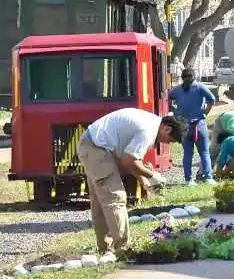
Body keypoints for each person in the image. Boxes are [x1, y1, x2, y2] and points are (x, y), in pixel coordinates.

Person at [77, 108, 185, 263]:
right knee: (115, 198)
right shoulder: (147, 131)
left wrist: (144, 181)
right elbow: (129, 160)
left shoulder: (151, 123)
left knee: (100, 202)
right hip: (97, 148)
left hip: (93, 145)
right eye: (170, 140)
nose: (167, 143)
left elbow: (130, 159)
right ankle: (123, 249)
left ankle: (105, 250)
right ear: (167, 128)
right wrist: (152, 176)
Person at [169, 68, 216, 185]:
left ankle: (188, 179)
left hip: (184, 125)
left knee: (188, 153)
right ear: (194, 77)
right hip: (199, 124)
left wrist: (175, 111)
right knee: (204, 152)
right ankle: (208, 177)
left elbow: (167, 98)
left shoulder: (177, 90)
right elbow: (212, 100)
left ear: (182, 78)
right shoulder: (200, 87)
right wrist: (205, 113)